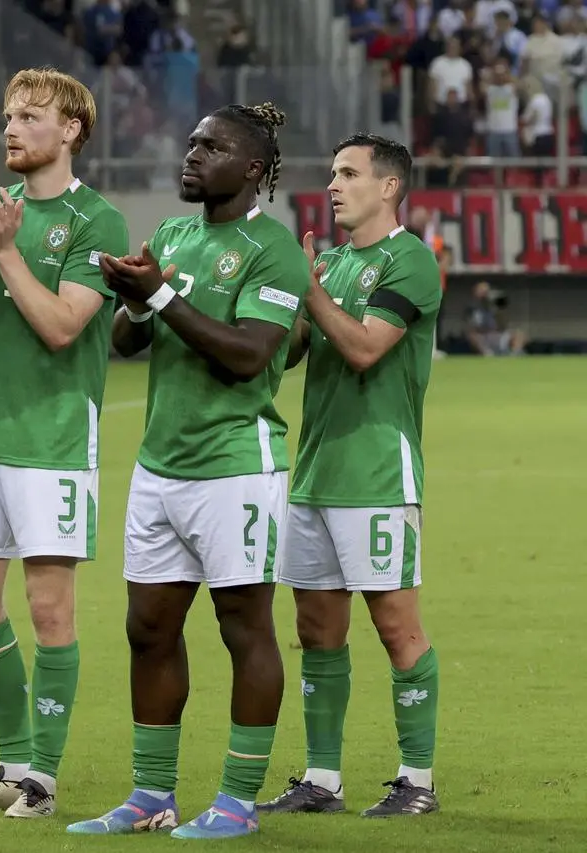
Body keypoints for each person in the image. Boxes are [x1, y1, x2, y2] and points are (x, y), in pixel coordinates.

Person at [67, 102, 310, 840]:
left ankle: (237, 800)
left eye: (212, 146)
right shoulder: (173, 233)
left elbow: (248, 355)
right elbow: (126, 339)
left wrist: (162, 295)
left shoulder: (274, 250)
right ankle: (150, 794)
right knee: (148, 628)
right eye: (193, 141)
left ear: (254, 170)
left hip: (235, 466)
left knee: (244, 627)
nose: (193, 153)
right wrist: (136, 300)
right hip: (159, 467)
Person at [0, 68, 130, 820]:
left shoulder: (95, 221)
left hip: (52, 441)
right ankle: (11, 763)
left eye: (31, 116)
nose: (12, 127)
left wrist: (6, 250)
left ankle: (41, 779)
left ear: (72, 130)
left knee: (50, 610)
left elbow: (63, 325)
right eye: (8, 114)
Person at [259, 133, 443, 818]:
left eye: (349, 173)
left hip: (376, 474)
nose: (333, 184)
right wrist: (285, 301)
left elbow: (366, 347)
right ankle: (322, 779)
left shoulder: (412, 261)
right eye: (332, 173)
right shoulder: (330, 263)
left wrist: (310, 290)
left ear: (389, 186)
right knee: (316, 629)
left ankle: (417, 779)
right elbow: (291, 354)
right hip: (315, 472)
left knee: (397, 626)